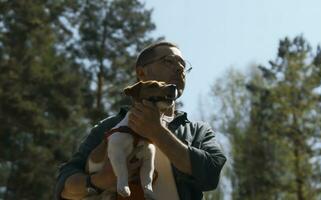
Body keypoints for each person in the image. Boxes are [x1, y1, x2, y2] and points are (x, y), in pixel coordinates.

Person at [55, 41, 227, 200]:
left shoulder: (197, 131)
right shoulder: (109, 127)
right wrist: (100, 181)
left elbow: (211, 174)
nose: (179, 68)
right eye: (169, 61)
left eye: (183, 65)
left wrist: (157, 133)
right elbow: (64, 185)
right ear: (141, 73)